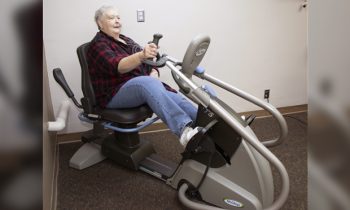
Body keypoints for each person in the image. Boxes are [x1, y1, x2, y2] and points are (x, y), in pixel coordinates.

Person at [86, 5, 201, 146]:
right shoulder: (98, 44)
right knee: (146, 83)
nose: (117, 21)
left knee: (176, 98)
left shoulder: (126, 40)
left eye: (118, 17)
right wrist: (141, 55)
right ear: (99, 23)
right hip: (113, 94)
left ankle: (204, 126)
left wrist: (153, 72)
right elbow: (119, 66)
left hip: (140, 85)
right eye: (111, 18)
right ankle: (184, 131)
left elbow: (148, 62)